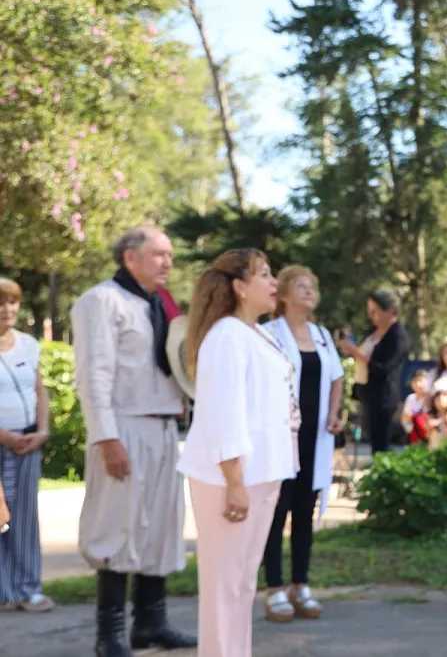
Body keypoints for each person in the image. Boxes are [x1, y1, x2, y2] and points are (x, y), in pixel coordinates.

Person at [72, 226, 196, 655]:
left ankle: (151, 623)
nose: (168, 263)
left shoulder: (160, 305)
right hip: (123, 427)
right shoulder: (102, 301)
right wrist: (106, 438)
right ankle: (109, 636)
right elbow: (93, 375)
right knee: (117, 527)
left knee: (160, 526)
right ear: (130, 257)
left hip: (163, 427)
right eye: (159, 254)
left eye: (171, 256)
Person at [177, 249, 297, 657]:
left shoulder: (254, 332)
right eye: (264, 274)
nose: (273, 282)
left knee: (243, 584)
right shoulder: (226, 335)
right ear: (239, 287)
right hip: (230, 478)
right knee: (224, 588)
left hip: (260, 474)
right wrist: (234, 482)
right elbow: (223, 414)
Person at [262, 266, 345, 623]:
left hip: (316, 437)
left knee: (304, 514)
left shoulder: (322, 334)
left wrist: (335, 413)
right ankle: (274, 588)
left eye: (313, 286)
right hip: (282, 438)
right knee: (277, 512)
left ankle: (300, 584)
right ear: (282, 294)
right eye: (301, 286)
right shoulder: (268, 334)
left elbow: (337, 377)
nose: (310, 291)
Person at [0, 277, 54, 612]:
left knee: (24, 518)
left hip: (28, 441)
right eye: (0, 303)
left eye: (12, 302)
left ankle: (26, 588)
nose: (7, 310)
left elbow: (40, 390)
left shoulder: (28, 345)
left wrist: (43, 430)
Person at [337, 290, 408, 455]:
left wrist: (356, 352)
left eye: (375, 311)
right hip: (366, 393)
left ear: (389, 311)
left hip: (383, 396)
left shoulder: (397, 336)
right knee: (371, 440)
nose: (371, 316)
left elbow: (385, 368)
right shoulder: (371, 332)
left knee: (381, 444)